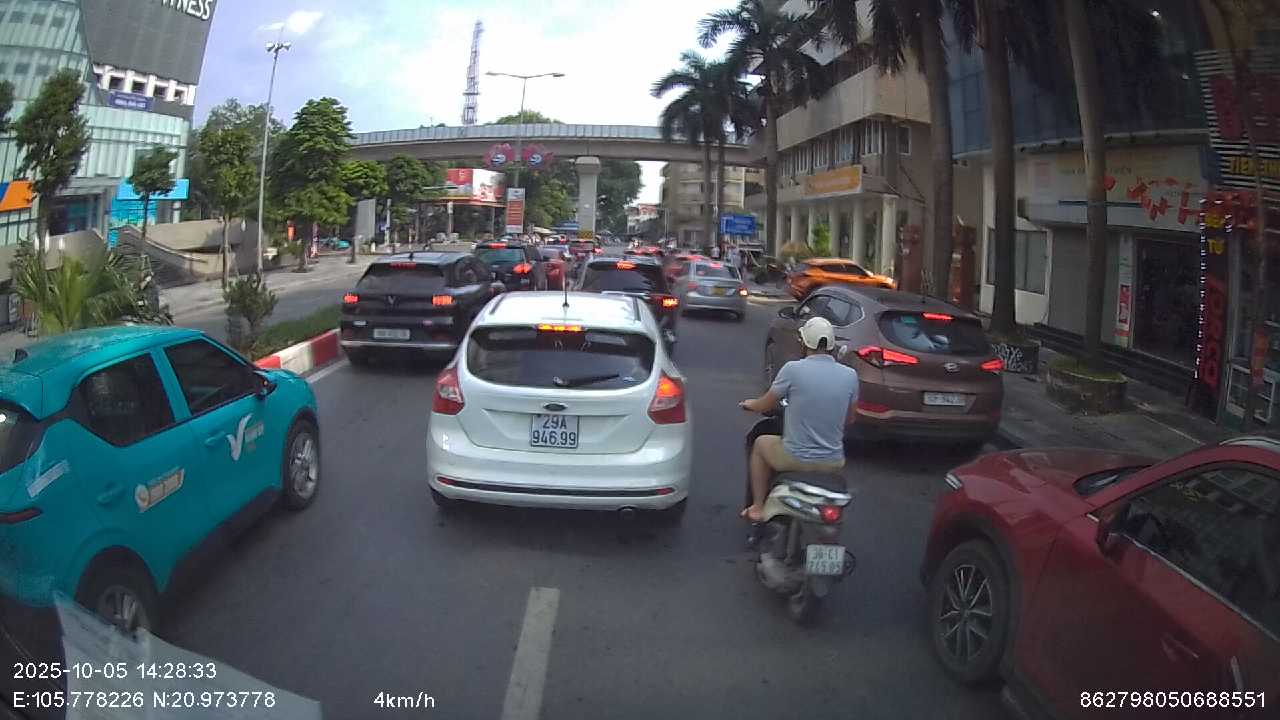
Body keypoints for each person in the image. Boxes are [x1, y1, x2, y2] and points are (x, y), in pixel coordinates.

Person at [738, 316, 859, 522]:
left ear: (804, 343)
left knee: (759, 443)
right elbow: (850, 419)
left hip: (795, 457)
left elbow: (765, 405)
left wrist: (749, 404)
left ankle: (758, 506)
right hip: (833, 461)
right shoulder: (850, 375)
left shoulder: (793, 369)